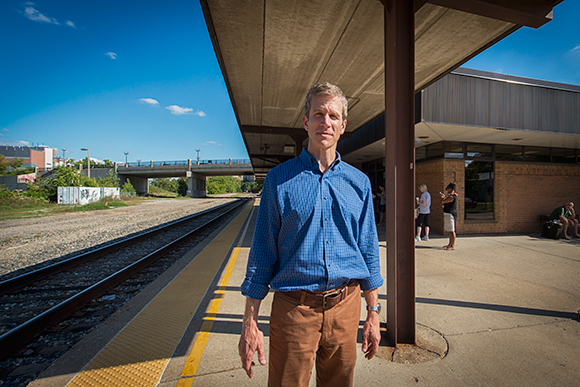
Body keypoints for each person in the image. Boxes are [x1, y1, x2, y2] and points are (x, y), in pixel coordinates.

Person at [238, 82, 383, 387]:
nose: (325, 122)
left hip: (346, 308)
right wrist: (250, 321)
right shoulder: (278, 180)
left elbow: (369, 250)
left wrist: (373, 312)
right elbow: (262, 252)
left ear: (343, 126)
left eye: (333, 116)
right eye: (318, 113)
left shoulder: (360, 183)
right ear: (306, 121)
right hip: (294, 310)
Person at [440, 182, 458, 250]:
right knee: (450, 231)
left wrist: (443, 197)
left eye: (447, 189)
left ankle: (452, 246)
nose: (447, 191)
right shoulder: (451, 196)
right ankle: (449, 244)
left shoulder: (451, 197)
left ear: (450, 189)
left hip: (450, 214)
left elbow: (443, 201)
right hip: (448, 213)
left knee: (452, 230)